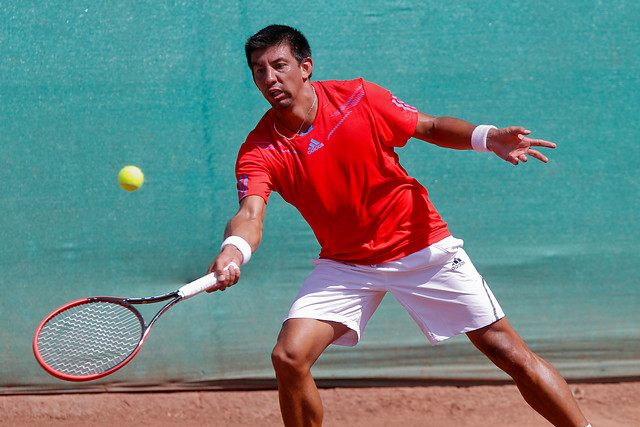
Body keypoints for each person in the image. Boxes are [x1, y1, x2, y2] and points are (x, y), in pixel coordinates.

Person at [207, 25, 591, 427]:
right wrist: (234, 249)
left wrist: (487, 136)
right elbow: (251, 213)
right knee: (288, 356)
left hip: (419, 246)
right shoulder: (259, 148)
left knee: (507, 352)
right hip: (347, 264)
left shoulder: (359, 97)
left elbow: (429, 126)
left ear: (305, 67)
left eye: (278, 66)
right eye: (258, 71)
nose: (269, 79)